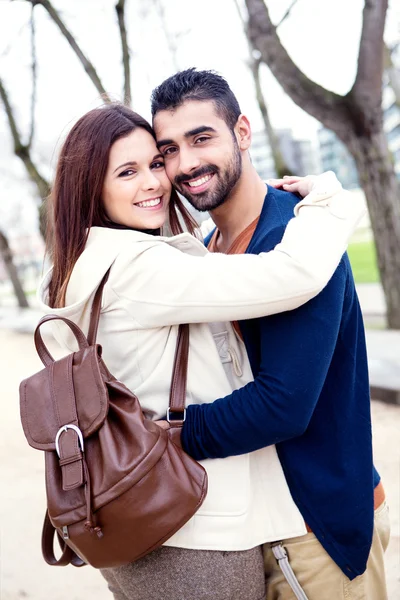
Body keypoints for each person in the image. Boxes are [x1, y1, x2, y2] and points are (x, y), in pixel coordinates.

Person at [38, 103, 362, 600]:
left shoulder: (79, 264)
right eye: (127, 172)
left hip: (127, 521)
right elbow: (293, 274)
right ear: (92, 187)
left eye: (154, 163)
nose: (155, 183)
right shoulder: (139, 266)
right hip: (192, 533)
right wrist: (330, 198)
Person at [151, 68, 390, 600]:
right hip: (265, 523)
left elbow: (283, 405)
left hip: (314, 531)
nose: (185, 164)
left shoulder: (296, 238)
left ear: (241, 132)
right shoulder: (212, 245)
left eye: (201, 138)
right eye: (168, 149)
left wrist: (161, 436)